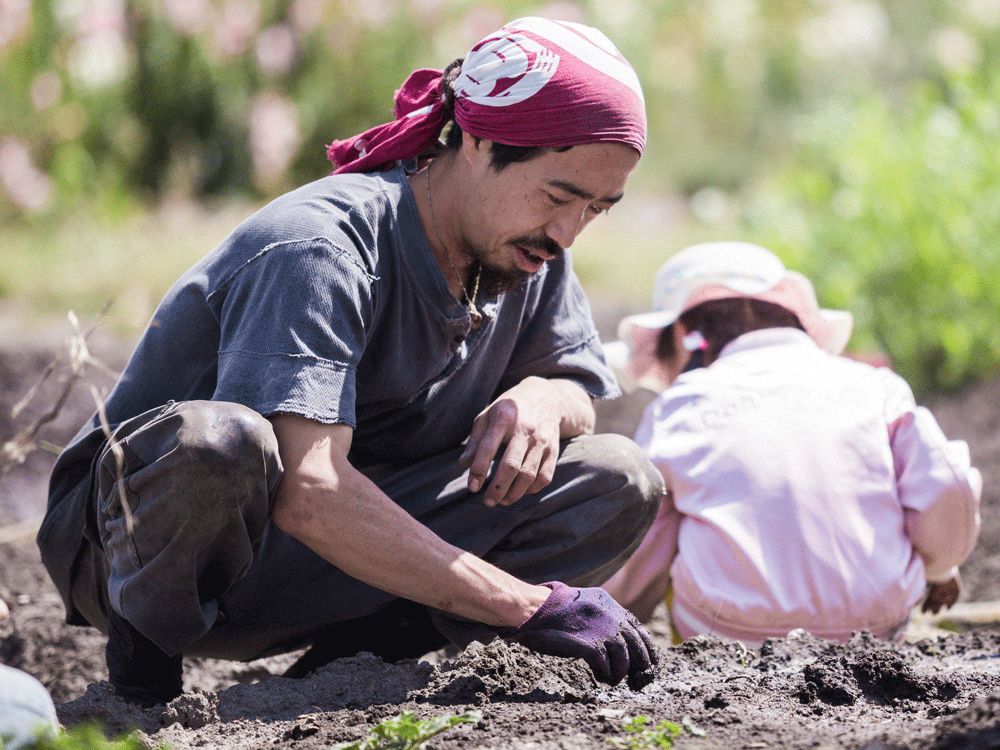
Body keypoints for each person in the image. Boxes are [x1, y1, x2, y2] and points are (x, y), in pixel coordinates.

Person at [36, 17, 664, 706]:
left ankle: (357, 662)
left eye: (598, 209)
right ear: (480, 142)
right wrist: (526, 606)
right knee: (216, 442)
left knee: (616, 478)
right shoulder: (322, 249)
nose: (570, 231)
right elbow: (310, 492)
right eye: (560, 196)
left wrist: (546, 394)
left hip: (340, 557)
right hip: (158, 554)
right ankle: (144, 666)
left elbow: (577, 377)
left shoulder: (528, 248)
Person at [602, 241, 983, 645]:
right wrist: (942, 567)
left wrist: (612, 610)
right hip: (878, 622)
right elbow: (946, 483)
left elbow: (642, 534)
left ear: (682, 334)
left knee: (665, 497)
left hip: (728, 631)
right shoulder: (876, 387)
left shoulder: (682, 404)